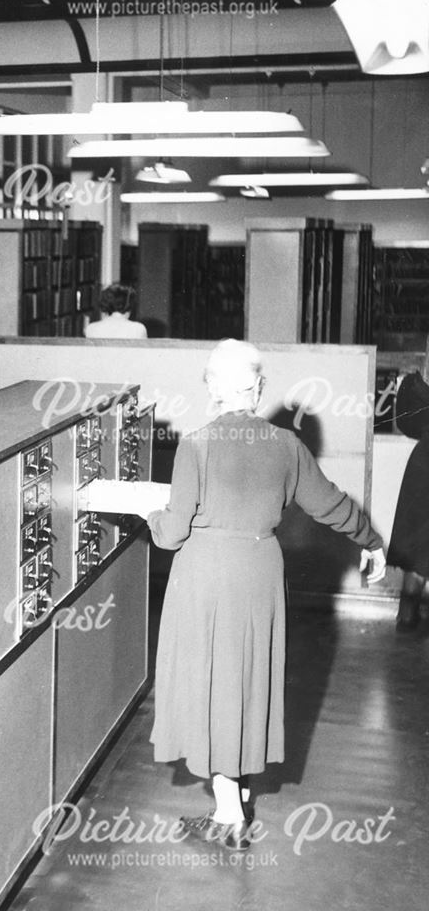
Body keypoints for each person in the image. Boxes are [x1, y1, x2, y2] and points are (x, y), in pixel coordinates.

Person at [146, 339, 385, 850]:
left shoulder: (195, 445)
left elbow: (171, 534)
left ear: (211, 387)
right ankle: (229, 807)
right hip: (258, 572)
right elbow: (331, 504)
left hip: (206, 575)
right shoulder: (287, 445)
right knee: (245, 681)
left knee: (211, 685)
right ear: (258, 388)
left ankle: (230, 814)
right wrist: (370, 539)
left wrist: (149, 514)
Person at [386, 358, 429, 631]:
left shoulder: (416, 384)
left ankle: (407, 614)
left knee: (418, 543)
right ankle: (408, 614)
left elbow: (406, 424)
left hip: (423, 463)